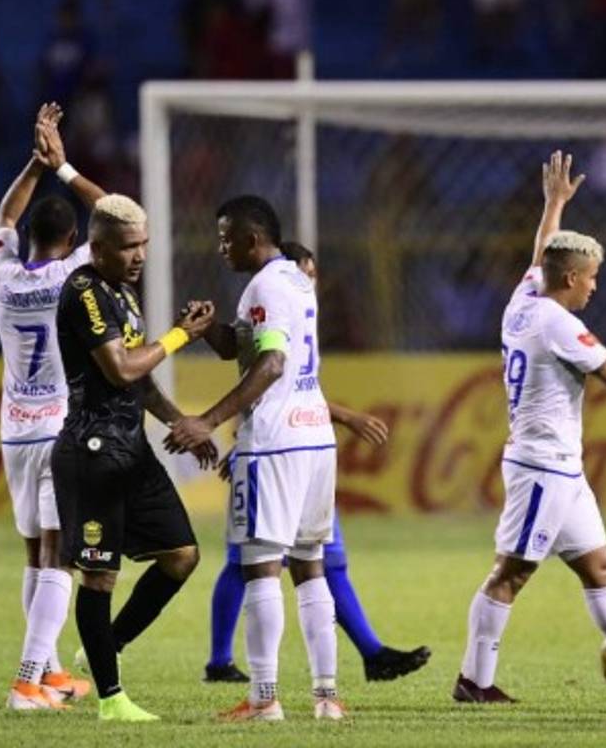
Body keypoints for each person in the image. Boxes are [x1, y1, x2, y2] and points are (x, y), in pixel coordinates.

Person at [452, 151, 606, 704]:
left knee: (599, 566)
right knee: (510, 574)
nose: (595, 287)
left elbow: (540, 253)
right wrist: (601, 357)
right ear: (571, 278)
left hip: (561, 467)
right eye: (592, 278)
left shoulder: (523, 300)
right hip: (541, 467)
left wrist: (555, 205)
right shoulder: (558, 322)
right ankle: (474, 680)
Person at [200, 240, 431, 685]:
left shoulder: (281, 298)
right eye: (307, 272)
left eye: (314, 275)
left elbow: (282, 380)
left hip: (289, 446)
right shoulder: (283, 295)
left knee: (300, 563)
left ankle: (351, 661)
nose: (310, 282)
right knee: (271, 563)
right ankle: (234, 665)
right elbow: (270, 373)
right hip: (299, 445)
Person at [165, 196, 346, 722]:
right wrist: (210, 332)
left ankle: (264, 698)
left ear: (251, 238)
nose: (220, 247)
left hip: (276, 442)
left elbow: (270, 364)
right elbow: (245, 349)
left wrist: (209, 420)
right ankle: (326, 695)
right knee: (310, 568)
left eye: (226, 238)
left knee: (261, 569)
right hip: (315, 437)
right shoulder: (294, 278)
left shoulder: (265, 286)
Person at [52, 191, 218, 722]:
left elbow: (140, 381)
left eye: (144, 244)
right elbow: (119, 370)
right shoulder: (84, 291)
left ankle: (107, 643)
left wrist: (182, 422)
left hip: (133, 448)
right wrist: (179, 336)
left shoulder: (121, 291)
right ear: (97, 249)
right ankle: (111, 698)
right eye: (129, 247)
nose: (140, 256)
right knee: (99, 576)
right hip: (94, 451)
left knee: (182, 555)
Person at [0, 103, 98, 710]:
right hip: (60, 427)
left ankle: (51, 673)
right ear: (71, 241)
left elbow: (3, 213)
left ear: (27, 238)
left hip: (14, 432)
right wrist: (62, 168)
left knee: (36, 553)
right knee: (62, 553)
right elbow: (118, 213)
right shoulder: (73, 276)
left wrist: (32, 167)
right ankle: (26, 680)